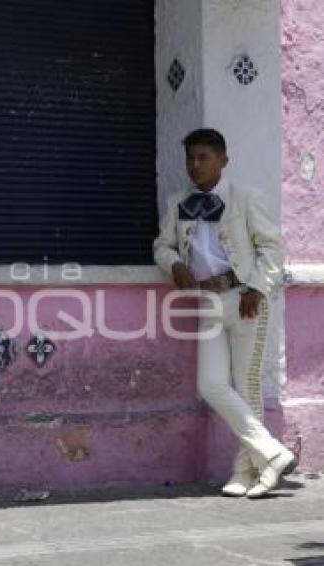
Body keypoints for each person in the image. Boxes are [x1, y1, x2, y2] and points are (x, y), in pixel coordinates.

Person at [154, 128, 295, 498]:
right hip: (207, 301)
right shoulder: (177, 204)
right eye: (190, 159)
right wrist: (173, 264)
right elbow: (161, 245)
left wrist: (257, 288)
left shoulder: (246, 198)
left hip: (244, 299)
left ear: (223, 160)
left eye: (203, 157)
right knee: (211, 384)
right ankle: (273, 453)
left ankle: (248, 471)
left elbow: (273, 249)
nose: (194, 165)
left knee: (246, 386)